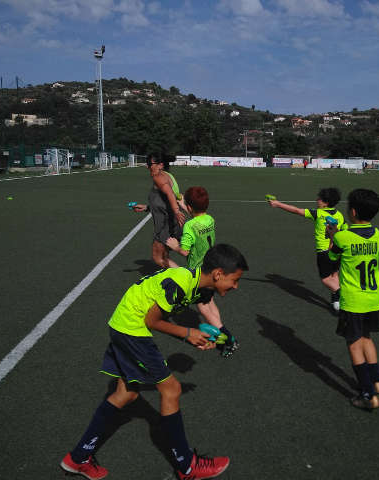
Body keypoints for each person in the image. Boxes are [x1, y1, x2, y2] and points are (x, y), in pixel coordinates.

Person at [60, 244, 249, 480]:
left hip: (123, 323)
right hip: (132, 328)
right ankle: (187, 467)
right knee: (172, 389)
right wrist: (187, 334)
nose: (236, 286)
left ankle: (78, 458)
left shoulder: (201, 286)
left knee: (126, 393)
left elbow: (201, 310)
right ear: (218, 274)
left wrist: (208, 338)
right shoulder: (181, 282)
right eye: (235, 280)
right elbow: (152, 320)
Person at [165, 186, 239, 357]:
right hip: (212, 267)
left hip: (200, 274)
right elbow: (198, 219)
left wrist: (175, 246)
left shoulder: (189, 226)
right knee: (210, 303)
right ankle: (221, 334)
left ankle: (230, 340)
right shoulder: (210, 219)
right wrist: (185, 205)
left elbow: (185, 251)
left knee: (204, 308)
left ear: (190, 207)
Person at [327, 188, 379, 410]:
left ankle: (367, 394)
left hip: (353, 301)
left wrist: (332, 236)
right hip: (374, 299)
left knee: (353, 344)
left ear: (352, 211)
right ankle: (376, 381)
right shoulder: (378, 234)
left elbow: (332, 256)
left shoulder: (343, 237)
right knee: (366, 337)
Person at [268, 188, 344, 311]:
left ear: (326, 203)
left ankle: (341, 293)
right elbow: (344, 230)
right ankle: (336, 299)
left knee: (326, 279)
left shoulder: (318, 213)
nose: (317, 200)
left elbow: (296, 210)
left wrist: (277, 204)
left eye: (319, 198)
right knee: (334, 274)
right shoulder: (339, 215)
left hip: (324, 252)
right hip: (337, 250)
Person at [132, 154, 186, 268]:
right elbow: (164, 201)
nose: (147, 167)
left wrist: (176, 211)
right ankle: (177, 276)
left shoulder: (159, 177)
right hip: (172, 222)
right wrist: (147, 208)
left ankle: (186, 276)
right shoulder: (166, 176)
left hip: (166, 225)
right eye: (147, 164)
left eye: (150, 164)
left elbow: (170, 194)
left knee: (158, 257)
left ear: (160, 165)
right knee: (164, 256)